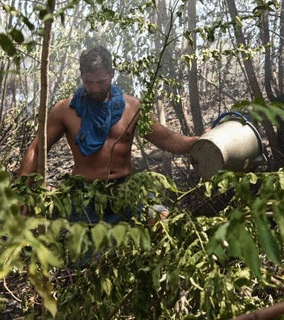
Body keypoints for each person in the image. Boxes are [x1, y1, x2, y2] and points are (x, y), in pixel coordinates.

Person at [17, 45, 200, 223]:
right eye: (89, 82)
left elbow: (167, 138)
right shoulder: (65, 110)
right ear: (82, 77)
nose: (95, 89)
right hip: (85, 195)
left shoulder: (133, 107)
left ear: (112, 74)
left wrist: (198, 142)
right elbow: (37, 149)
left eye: (101, 82)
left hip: (125, 189)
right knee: (92, 252)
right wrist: (22, 191)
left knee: (161, 219)